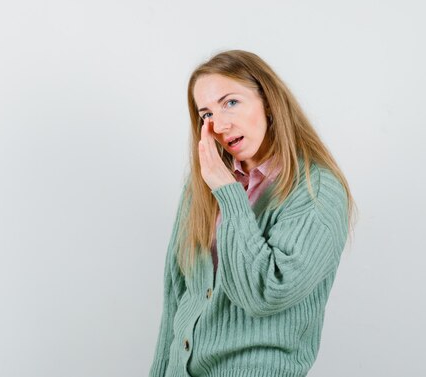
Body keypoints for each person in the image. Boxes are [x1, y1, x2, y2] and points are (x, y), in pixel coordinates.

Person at [149, 50, 357, 377]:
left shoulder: (317, 190)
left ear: (269, 102)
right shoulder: (203, 185)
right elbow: (177, 296)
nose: (219, 124)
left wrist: (228, 194)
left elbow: (265, 294)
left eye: (231, 102)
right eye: (206, 114)